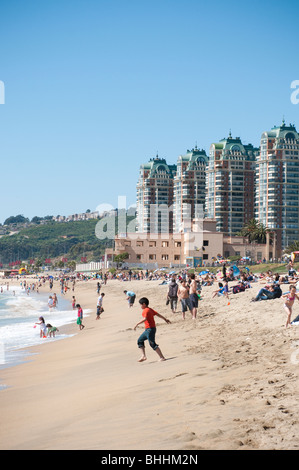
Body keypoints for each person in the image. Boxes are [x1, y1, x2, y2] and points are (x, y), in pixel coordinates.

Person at [133, 297, 171, 362]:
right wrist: (165, 319)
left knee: (152, 343)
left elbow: (145, 319)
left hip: (150, 329)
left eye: (140, 305)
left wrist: (137, 324)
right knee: (140, 340)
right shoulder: (150, 309)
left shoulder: (146, 310)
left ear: (144, 304)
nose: (140, 306)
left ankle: (162, 357)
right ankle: (143, 356)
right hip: (148, 329)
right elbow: (158, 314)